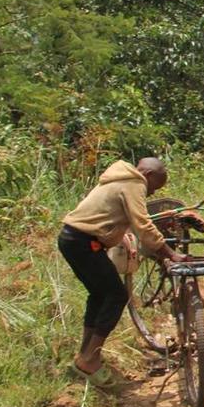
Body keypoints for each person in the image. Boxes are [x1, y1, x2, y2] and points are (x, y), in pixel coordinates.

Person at [59, 157, 185, 386]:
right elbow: (143, 224)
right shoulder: (135, 183)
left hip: (71, 238)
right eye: (154, 187)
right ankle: (89, 360)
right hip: (84, 243)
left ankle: (85, 355)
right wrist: (170, 254)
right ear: (147, 175)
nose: (151, 193)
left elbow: (111, 215)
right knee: (117, 296)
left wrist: (121, 234)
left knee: (99, 295)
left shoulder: (117, 178)